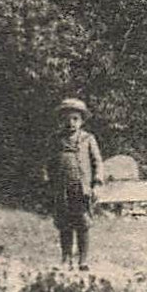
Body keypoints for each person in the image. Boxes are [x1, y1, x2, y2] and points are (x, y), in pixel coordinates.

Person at [44, 98, 103, 270]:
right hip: (62, 189)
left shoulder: (88, 139)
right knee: (64, 224)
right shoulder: (55, 140)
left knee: (83, 223)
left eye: (75, 119)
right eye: (67, 119)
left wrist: (97, 182)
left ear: (82, 120)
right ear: (61, 120)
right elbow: (47, 163)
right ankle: (66, 258)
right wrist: (47, 181)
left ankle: (83, 259)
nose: (71, 123)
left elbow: (97, 162)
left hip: (81, 188)